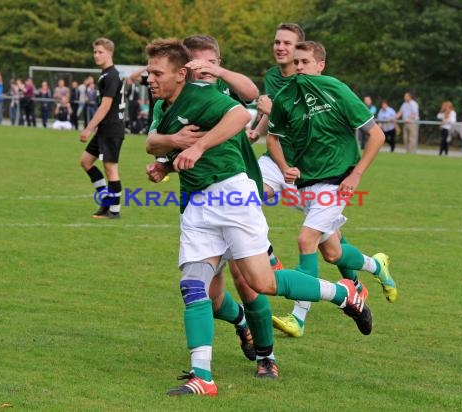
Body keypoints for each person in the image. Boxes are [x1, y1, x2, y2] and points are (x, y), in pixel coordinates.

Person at [144, 38, 371, 398]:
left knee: (261, 283)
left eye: (156, 72)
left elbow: (240, 113)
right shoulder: (163, 105)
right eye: (149, 71)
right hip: (195, 203)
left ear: (180, 74)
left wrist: (198, 146)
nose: (149, 78)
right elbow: (152, 143)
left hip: (232, 197)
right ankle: (202, 376)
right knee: (193, 286)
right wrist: (169, 155)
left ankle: (341, 293)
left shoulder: (202, 94)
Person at [270, 41, 397, 338]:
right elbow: (273, 138)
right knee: (332, 253)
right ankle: (376, 265)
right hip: (304, 185)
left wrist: (355, 175)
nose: (299, 67)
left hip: (336, 182)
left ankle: (298, 318)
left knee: (305, 240)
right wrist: (284, 165)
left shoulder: (335, 89)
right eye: (296, 62)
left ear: (320, 65)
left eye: (305, 62)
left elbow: (376, 135)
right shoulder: (286, 96)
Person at [80, 38, 125, 219]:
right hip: (104, 130)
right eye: (95, 52)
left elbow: (105, 106)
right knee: (85, 161)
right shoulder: (106, 75)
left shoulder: (112, 75)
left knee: (111, 169)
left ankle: (113, 211)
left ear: (110, 53)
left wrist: (89, 128)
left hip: (112, 129)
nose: (96, 55)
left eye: (100, 52)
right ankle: (106, 200)